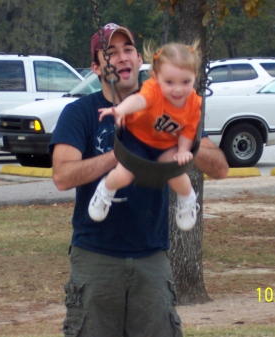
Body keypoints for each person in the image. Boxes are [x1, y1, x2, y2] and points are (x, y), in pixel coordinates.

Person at [49, 22, 229, 337]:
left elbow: (220, 168)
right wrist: (123, 154)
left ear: (138, 59)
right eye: (111, 52)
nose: (122, 57)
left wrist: (181, 139)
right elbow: (63, 176)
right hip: (96, 256)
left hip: (152, 256)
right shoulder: (80, 113)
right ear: (96, 67)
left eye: (128, 49)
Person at [88, 41, 202, 231]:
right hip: (137, 139)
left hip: (166, 144)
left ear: (195, 77)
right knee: (124, 175)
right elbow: (139, 100)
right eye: (170, 82)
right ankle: (106, 189)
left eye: (186, 82)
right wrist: (121, 109)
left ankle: (188, 198)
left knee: (175, 171)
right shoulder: (153, 90)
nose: (178, 89)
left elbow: (189, 130)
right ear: (157, 78)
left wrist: (183, 150)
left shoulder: (194, 102)